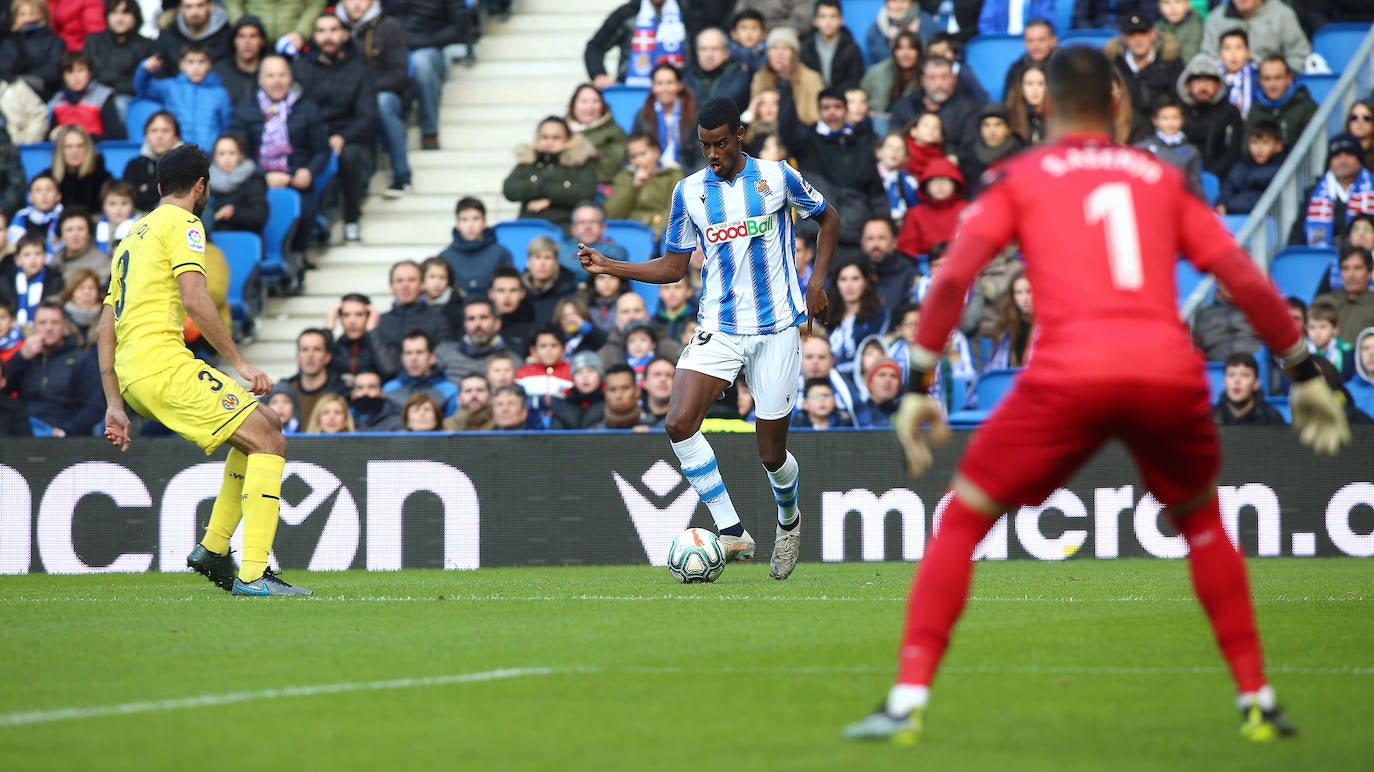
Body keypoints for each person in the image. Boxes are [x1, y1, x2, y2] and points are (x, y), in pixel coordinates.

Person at [844, 44, 1349, 745]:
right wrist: (1302, 374)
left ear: (1041, 105)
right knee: (1202, 521)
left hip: (1069, 375)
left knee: (962, 519)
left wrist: (919, 387)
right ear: (1117, 102)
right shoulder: (1159, 174)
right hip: (1166, 373)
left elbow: (956, 274)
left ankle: (906, 701)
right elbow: (1242, 272)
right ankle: (1257, 698)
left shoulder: (1021, 175)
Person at [578, 96, 839, 581]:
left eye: (720, 144)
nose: (713, 154)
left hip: (778, 327)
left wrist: (817, 283)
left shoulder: (777, 177)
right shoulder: (689, 192)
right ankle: (732, 528)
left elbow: (829, 218)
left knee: (771, 454)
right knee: (678, 423)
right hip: (718, 327)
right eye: (705, 146)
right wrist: (612, 265)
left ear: (739, 135)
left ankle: (789, 519)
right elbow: (674, 267)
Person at [96, 144, 307, 595]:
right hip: (163, 366)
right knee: (271, 441)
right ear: (201, 186)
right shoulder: (186, 224)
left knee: (262, 428)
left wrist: (115, 403)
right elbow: (195, 298)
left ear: (157, 187)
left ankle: (213, 550)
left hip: (135, 376)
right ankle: (252, 575)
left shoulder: (131, 236)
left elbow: (104, 328)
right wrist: (240, 362)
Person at [292, 12, 376, 242]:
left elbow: (368, 115)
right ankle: (311, 227)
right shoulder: (300, 68)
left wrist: (343, 136)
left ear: (345, 34)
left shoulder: (360, 68)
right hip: (310, 135)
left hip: (348, 135)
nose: (327, 36)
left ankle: (351, 219)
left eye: (333, 30)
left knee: (350, 157)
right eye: (320, 31)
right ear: (314, 37)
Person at [336, 0, 410, 198]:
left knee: (382, 104)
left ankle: (402, 175)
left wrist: (364, 90)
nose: (356, 4)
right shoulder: (331, 26)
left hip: (382, 91)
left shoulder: (389, 26)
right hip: (342, 96)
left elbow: (399, 74)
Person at [502, 116, 599, 233]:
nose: (549, 142)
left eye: (556, 138)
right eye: (544, 137)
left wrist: (549, 199)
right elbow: (509, 190)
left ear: (568, 139)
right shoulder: (528, 161)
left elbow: (586, 192)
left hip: (565, 229)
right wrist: (546, 189)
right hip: (528, 225)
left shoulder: (579, 162)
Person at [583, 0, 686, 89]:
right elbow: (595, 47)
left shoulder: (688, 12)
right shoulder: (626, 13)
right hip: (632, 92)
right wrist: (599, 74)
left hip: (680, 93)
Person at [1298, 136, 1374, 249]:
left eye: (1349, 155)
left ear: (1360, 161)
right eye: (1337, 156)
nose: (1343, 161)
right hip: (1322, 261)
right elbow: (1298, 233)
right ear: (1329, 163)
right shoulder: (1313, 192)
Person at [605, 133, 685, 241]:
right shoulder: (624, 177)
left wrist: (657, 229)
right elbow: (613, 214)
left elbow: (675, 208)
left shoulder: (672, 175)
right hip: (632, 232)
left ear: (656, 152)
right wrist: (633, 187)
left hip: (663, 233)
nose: (638, 161)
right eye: (633, 157)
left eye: (643, 154)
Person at [1200, 0, 1310, 75]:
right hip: (1227, 89)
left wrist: (1279, 75)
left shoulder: (1283, 15)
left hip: (1273, 88)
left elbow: (1299, 55)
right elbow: (1207, 59)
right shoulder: (1216, 19)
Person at [83, 0, 154, 116]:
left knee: (121, 104)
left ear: (135, 16)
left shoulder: (147, 45)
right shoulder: (93, 42)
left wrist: (112, 84)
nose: (119, 19)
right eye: (114, 13)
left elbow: (145, 81)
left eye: (125, 13)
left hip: (128, 97)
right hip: (93, 94)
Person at [1178, 54, 1242, 181]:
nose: (1203, 86)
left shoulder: (1230, 112)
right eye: (1197, 80)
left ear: (1218, 85)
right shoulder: (1176, 111)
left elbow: (1232, 153)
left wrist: (1208, 174)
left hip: (1219, 178)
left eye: (1208, 80)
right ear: (1188, 85)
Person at [439, 197, 514, 299]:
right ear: (458, 224)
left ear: (484, 222)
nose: (470, 225)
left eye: (476, 219)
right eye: (464, 219)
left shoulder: (501, 254)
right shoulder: (445, 257)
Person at [632, 63, 698, 171]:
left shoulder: (694, 113)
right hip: (653, 174)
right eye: (659, 83)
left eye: (670, 83)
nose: (664, 88)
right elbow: (633, 149)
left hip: (686, 174)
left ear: (679, 85)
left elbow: (701, 153)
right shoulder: (643, 115)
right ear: (653, 87)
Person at [49, 51, 124, 142]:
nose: (76, 77)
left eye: (81, 70)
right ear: (63, 76)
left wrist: (84, 139)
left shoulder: (103, 96)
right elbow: (50, 134)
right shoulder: (57, 100)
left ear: (90, 73)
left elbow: (113, 135)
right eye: (70, 72)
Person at [0, 0, 67, 100]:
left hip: (41, 93)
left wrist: (23, 81)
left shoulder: (54, 41)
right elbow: (4, 68)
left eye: (33, 13)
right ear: (15, 18)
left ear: (43, 15)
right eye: (22, 14)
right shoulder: (8, 42)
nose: (28, 18)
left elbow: (53, 73)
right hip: (9, 92)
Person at [1242, 56, 1315, 147]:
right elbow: (1246, 148)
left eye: (1277, 78)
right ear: (1260, 81)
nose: (1272, 84)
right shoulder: (1255, 110)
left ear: (1289, 79)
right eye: (1267, 78)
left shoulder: (1307, 108)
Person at [383, 329, 458, 416]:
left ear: (432, 358)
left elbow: (452, 426)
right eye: (408, 353)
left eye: (419, 352)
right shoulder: (389, 390)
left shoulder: (450, 391)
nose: (414, 358)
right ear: (402, 358)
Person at [1217, 119, 1283, 216]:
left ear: (1278, 146)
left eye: (1265, 143)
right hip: (1235, 213)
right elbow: (1228, 188)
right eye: (1254, 143)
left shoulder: (1282, 168)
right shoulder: (1241, 165)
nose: (1259, 148)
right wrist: (1221, 204)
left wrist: (1229, 206)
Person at [151, 0, 232, 79]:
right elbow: (157, 72)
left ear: (210, 7)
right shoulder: (167, 35)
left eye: (200, 5)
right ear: (180, 9)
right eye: (188, 6)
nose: (194, 12)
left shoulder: (227, 36)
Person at [282, 328, 349, 422]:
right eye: (305, 349)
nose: (310, 355)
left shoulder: (342, 393)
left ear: (327, 357)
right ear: (298, 356)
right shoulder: (283, 390)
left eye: (317, 349)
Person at [567, 83, 628, 186]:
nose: (589, 107)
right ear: (573, 105)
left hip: (595, 187)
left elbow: (609, 169)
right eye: (584, 101)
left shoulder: (615, 133)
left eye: (595, 101)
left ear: (603, 106)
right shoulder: (561, 129)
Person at [206, 133, 268, 234]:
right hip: (212, 239)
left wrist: (234, 213)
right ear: (214, 158)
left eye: (232, 153)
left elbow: (260, 216)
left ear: (241, 155)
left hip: (246, 238)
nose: (227, 158)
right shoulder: (205, 183)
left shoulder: (254, 180)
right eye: (221, 154)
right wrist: (212, 218)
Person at [122, 111, 183, 213]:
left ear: (176, 137)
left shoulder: (188, 164)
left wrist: (147, 188)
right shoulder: (135, 165)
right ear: (146, 137)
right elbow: (131, 201)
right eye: (154, 131)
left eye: (165, 131)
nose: (159, 136)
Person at [1313, 245, 1374, 346]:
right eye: (1345, 268)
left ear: (1369, 273)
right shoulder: (1323, 303)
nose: (1351, 275)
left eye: (1357, 268)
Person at [45, 125, 111, 214]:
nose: (75, 151)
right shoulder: (48, 179)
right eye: (68, 146)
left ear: (87, 149)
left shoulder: (102, 179)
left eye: (80, 146)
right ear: (60, 150)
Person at [558, 202, 629, 281]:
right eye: (582, 222)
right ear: (573, 228)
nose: (587, 226)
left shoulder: (616, 251)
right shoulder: (560, 249)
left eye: (593, 222)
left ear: (603, 227)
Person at [683, 28, 751, 111]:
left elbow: (721, 107)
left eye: (715, 49)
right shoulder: (687, 75)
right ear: (697, 52)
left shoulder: (739, 75)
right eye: (703, 49)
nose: (708, 55)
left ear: (726, 53)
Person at [1213, 352, 1286, 425]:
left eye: (1245, 375)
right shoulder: (1211, 418)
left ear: (1256, 383)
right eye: (1231, 375)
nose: (1237, 380)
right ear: (1224, 382)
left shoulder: (1272, 418)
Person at [212, 14, 267, 104]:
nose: (247, 42)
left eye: (253, 36)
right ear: (234, 41)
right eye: (241, 36)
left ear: (262, 41)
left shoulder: (272, 73)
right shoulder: (218, 73)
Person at [52, 206, 107, 284]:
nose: (75, 235)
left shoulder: (100, 262)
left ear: (89, 234)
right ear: (61, 235)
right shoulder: (55, 260)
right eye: (69, 230)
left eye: (80, 229)